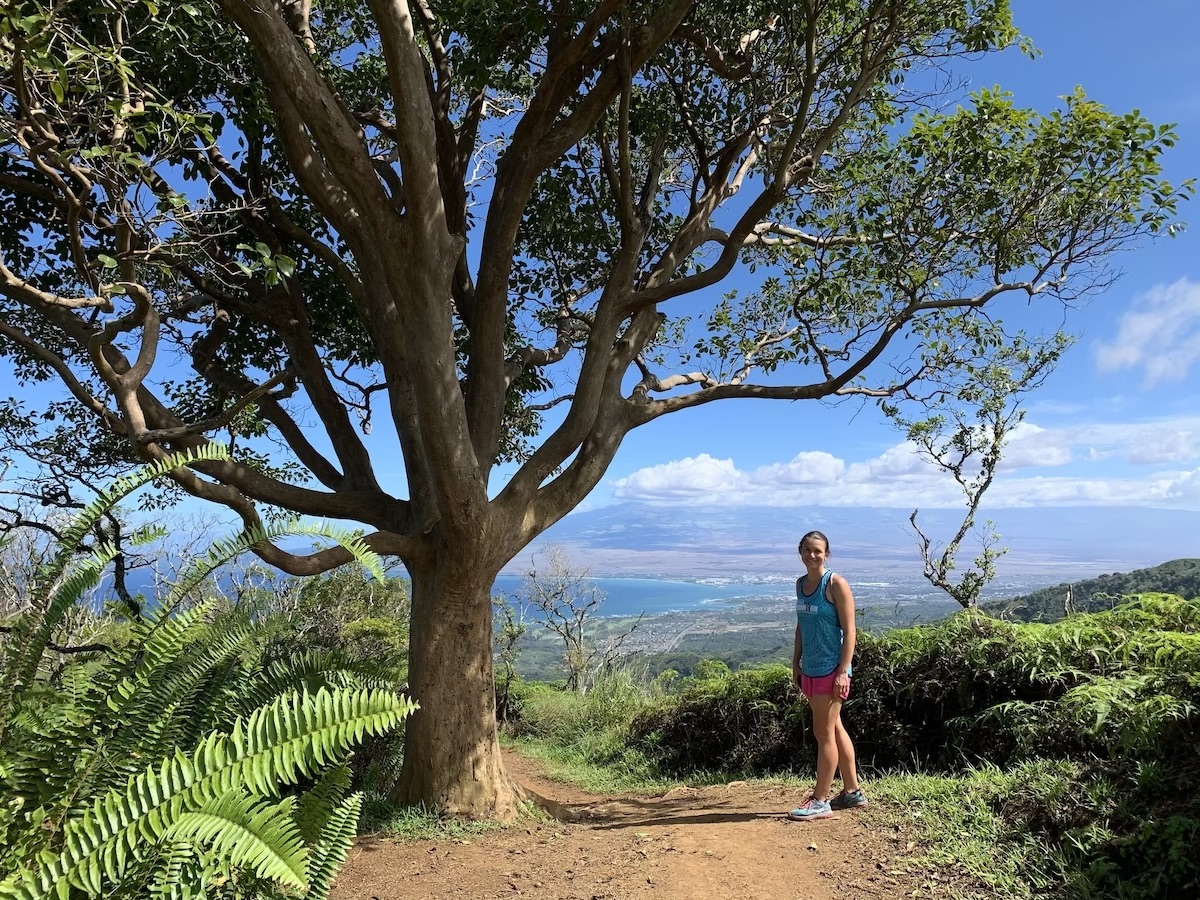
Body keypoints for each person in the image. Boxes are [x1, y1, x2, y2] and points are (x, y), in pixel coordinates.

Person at [787, 530, 867, 820]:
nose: (812, 555)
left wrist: (843, 672)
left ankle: (820, 800)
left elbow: (850, 631)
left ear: (827, 554)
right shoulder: (800, 585)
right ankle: (852, 792)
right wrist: (795, 662)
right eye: (807, 550)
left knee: (823, 733)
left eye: (818, 550)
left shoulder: (835, 584)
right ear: (800, 552)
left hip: (831, 671)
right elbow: (801, 626)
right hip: (810, 668)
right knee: (834, 729)